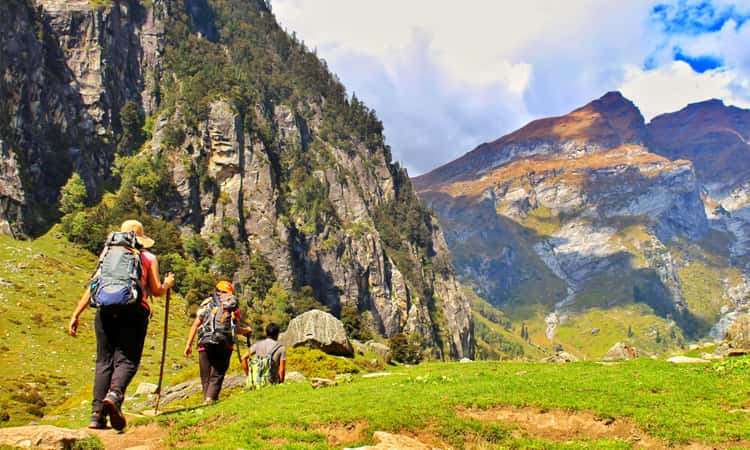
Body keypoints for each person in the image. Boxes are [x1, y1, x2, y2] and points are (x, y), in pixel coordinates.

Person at [68, 219, 175, 431]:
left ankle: (97, 416)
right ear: (141, 239)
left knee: (103, 362)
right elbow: (155, 291)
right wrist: (167, 284)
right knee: (126, 360)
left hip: (105, 311)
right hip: (134, 312)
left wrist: (75, 314)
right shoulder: (147, 257)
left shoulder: (107, 254)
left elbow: (93, 286)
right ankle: (115, 395)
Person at [183, 281, 252, 403]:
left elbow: (195, 325)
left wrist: (188, 345)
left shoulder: (207, 303)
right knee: (217, 375)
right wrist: (248, 330)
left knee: (206, 377)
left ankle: (207, 401)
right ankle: (210, 399)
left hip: (204, 343)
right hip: (224, 344)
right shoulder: (232, 305)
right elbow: (236, 329)